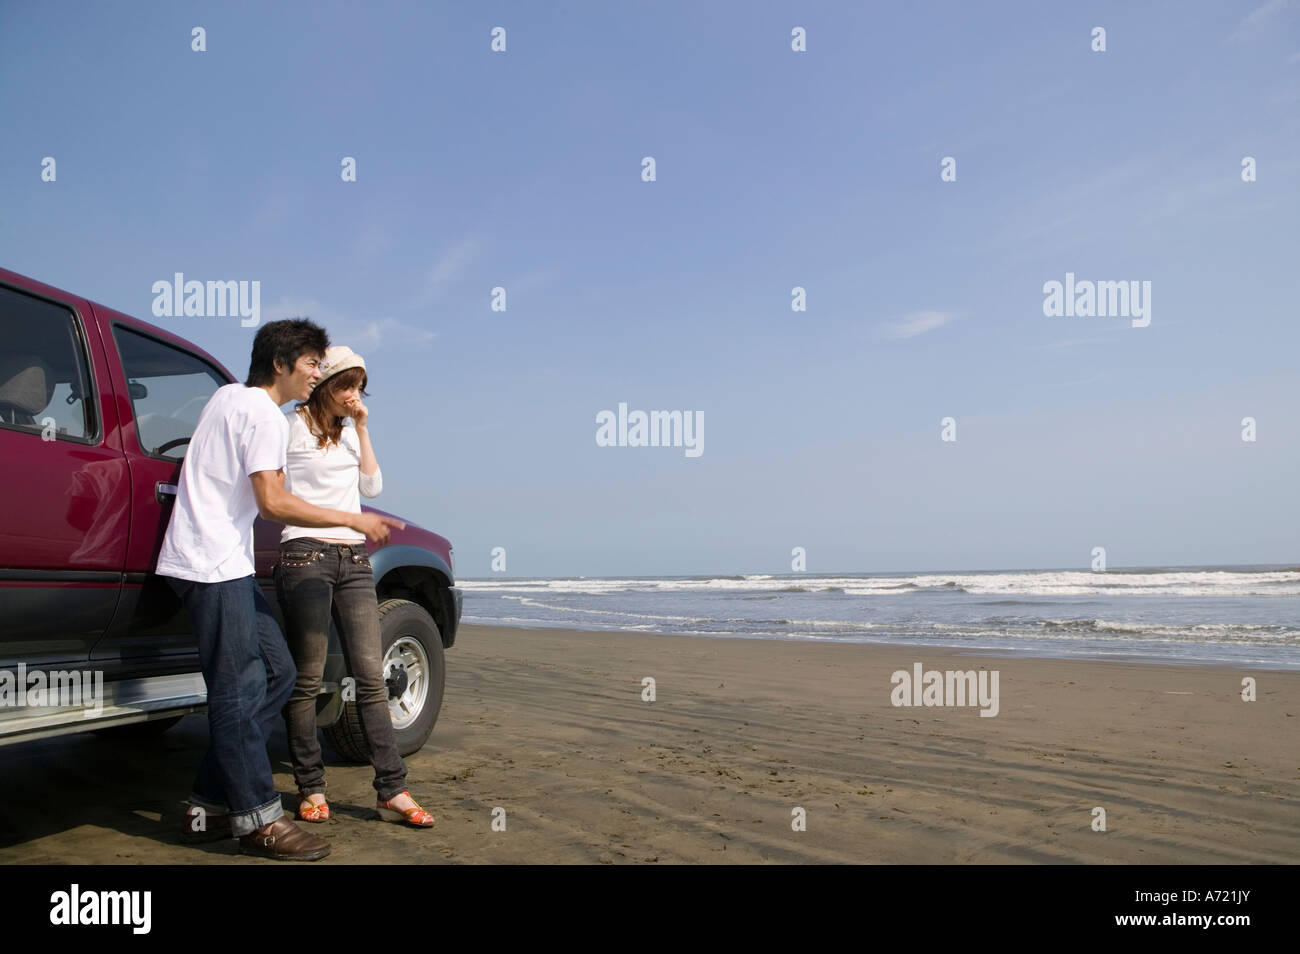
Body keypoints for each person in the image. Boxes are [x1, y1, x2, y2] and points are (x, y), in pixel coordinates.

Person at [155, 320, 405, 860]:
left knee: (279, 673)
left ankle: (207, 805)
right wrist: (353, 521)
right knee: (237, 690)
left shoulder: (226, 396)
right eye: (313, 362)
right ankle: (259, 819)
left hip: (222, 562)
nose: (318, 371)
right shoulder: (266, 416)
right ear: (281, 364)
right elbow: (273, 502)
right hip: (210, 565)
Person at [275, 346, 434, 828]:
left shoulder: (349, 433)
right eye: (347, 386)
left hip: (353, 558)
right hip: (304, 556)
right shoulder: (289, 426)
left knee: (371, 676)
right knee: (307, 678)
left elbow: (373, 488)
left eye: (361, 388)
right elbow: (272, 493)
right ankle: (310, 786)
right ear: (325, 384)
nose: (354, 396)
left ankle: (393, 788)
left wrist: (362, 426)